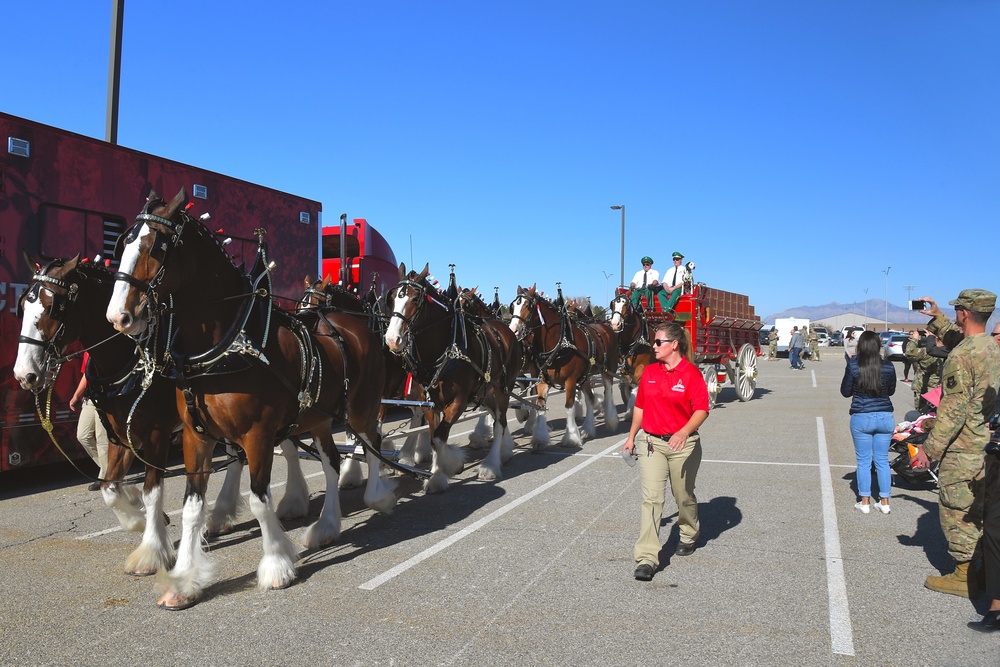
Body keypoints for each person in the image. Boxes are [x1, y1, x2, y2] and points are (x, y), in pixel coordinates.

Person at [909, 290, 1000, 597]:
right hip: (984, 445)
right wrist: (937, 318)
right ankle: (983, 569)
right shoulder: (990, 347)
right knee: (981, 510)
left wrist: (928, 451)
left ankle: (964, 576)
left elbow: (952, 413)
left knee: (957, 509)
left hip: (962, 448)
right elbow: (960, 343)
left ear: (963, 313)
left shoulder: (962, 356)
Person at [623, 322, 710, 581]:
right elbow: (640, 407)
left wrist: (683, 432)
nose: (654, 346)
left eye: (658, 342)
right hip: (651, 443)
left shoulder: (690, 374)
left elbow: (702, 409)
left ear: (674, 345)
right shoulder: (650, 372)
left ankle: (688, 532)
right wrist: (631, 437)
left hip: (684, 445)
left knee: (683, 495)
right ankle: (647, 558)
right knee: (651, 499)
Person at [841, 331, 896, 513]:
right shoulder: (888, 366)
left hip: (862, 416)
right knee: (882, 460)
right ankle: (885, 501)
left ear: (861, 346)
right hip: (885, 416)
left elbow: (845, 392)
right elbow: (891, 390)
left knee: (864, 461)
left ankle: (864, 502)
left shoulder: (854, 366)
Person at [69, 353, 109, 491]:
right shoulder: (87, 351)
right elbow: (86, 375)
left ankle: (105, 477)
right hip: (90, 398)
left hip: (105, 397)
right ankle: (111, 469)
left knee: (102, 438)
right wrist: (77, 395)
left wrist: (76, 396)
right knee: (83, 436)